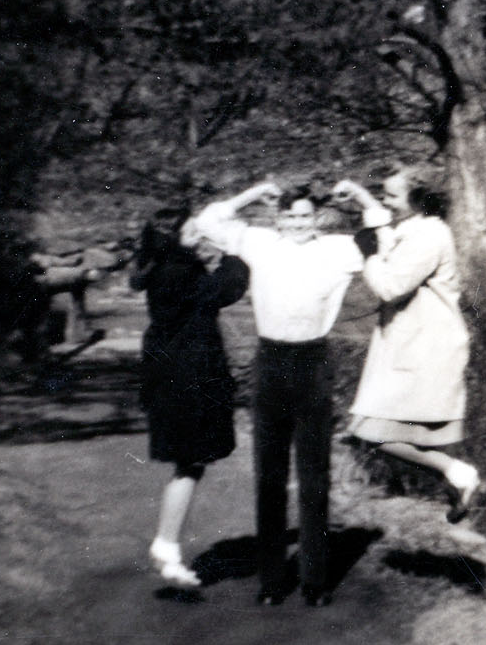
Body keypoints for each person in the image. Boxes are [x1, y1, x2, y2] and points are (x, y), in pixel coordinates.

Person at [195, 179, 390, 604]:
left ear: (315, 217)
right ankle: (271, 581)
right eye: (290, 216)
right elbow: (208, 221)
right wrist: (255, 192)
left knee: (314, 473)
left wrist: (359, 193)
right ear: (278, 218)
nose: (298, 223)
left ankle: (315, 581)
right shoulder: (259, 242)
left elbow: (383, 234)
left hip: (313, 362)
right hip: (270, 362)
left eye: (305, 216)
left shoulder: (338, 249)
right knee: (270, 474)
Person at [335, 169, 481, 521]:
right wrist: (359, 194)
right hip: (412, 346)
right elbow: (386, 235)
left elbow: (391, 286)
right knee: (374, 432)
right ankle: (457, 476)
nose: (386, 202)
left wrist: (369, 255)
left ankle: (458, 474)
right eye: (383, 195)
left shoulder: (429, 236)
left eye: (392, 196)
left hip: (426, 349)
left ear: (418, 200)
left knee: (372, 431)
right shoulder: (414, 228)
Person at [132, 217, 249, 589]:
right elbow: (225, 289)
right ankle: (165, 546)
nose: (200, 234)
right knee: (189, 463)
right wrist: (233, 252)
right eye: (192, 230)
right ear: (173, 238)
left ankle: (167, 546)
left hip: (173, 376)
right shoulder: (177, 271)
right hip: (187, 379)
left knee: (191, 464)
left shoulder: (164, 266)